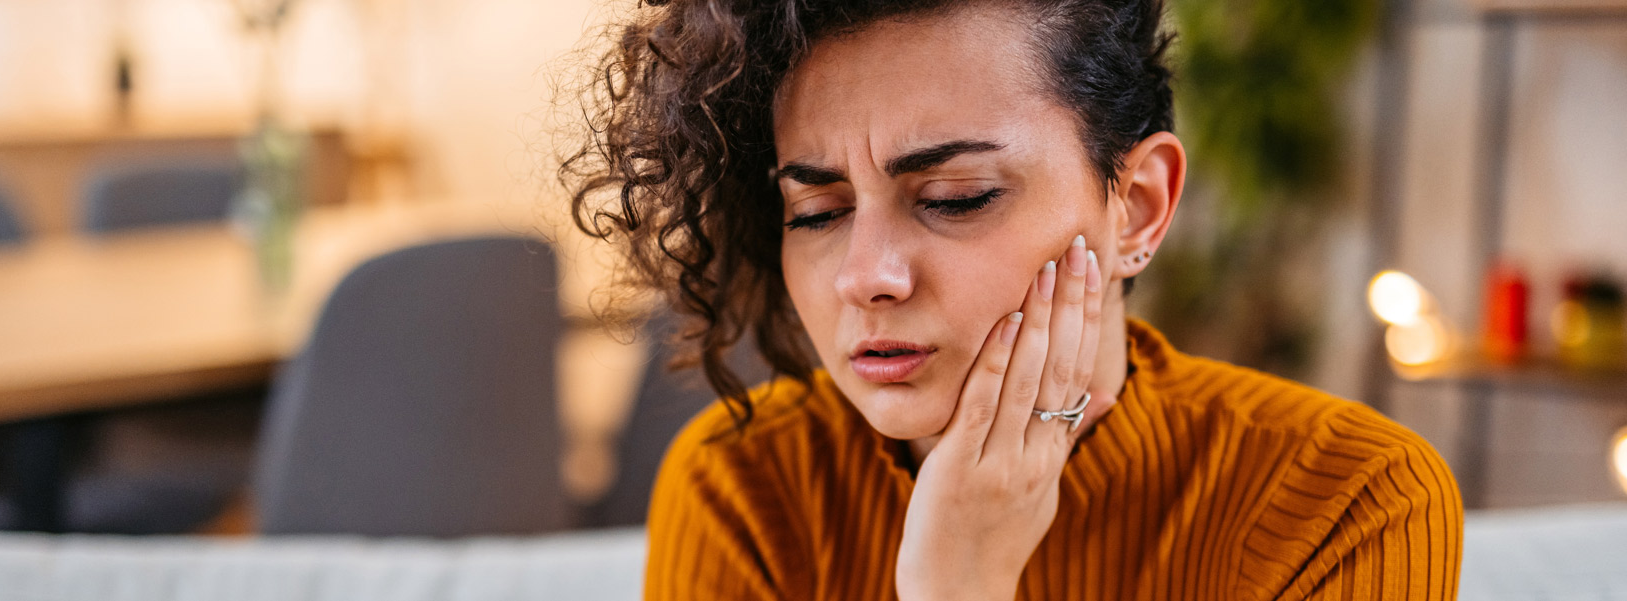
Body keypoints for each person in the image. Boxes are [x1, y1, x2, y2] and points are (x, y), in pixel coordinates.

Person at [562, 0, 1463, 599]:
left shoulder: (1349, 502)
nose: (866, 275)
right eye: (819, 209)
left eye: (957, 198)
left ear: (1137, 206)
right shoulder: (743, 489)